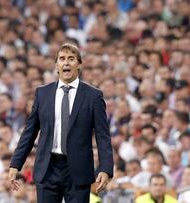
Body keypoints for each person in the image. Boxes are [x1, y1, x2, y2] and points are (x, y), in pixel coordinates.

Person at [8, 43, 114, 203]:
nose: (66, 63)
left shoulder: (94, 96)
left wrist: (105, 168)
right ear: (56, 65)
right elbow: (30, 132)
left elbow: (103, 136)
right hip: (47, 168)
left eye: (71, 59)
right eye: (62, 59)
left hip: (78, 170)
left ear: (79, 64)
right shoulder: (42, 93)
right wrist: (16, 164)